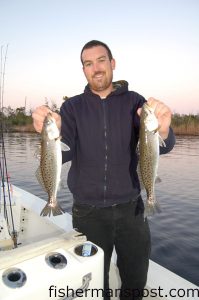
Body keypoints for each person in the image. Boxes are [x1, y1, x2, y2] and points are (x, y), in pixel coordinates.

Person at [32, 40, 175, 300]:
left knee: (135, 279)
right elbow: (65, 153)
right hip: (88, 212)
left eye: (101, 60)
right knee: (95, 281)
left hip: (132, 209)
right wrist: (48, 136)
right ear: (84, 70)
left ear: (112, 63)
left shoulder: (136, 102)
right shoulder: (72, 107)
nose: (96, 68)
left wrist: (163, 130)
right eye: (88, 63)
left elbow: (156, 148)